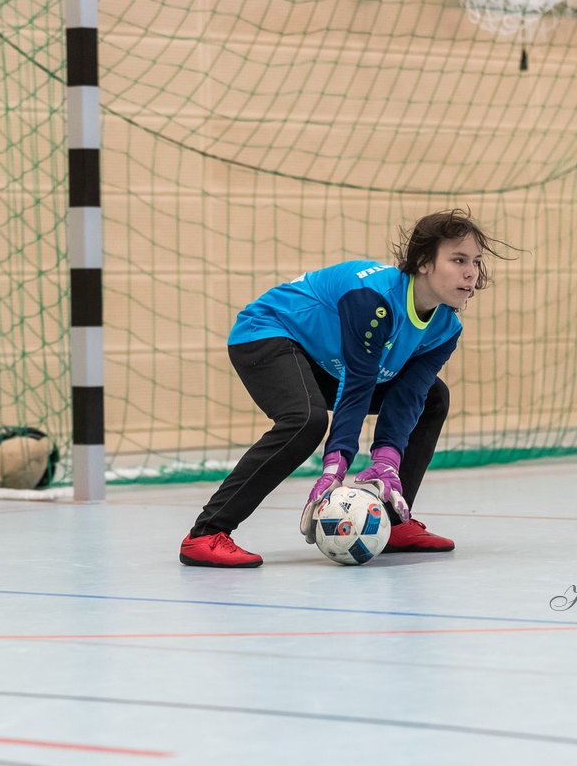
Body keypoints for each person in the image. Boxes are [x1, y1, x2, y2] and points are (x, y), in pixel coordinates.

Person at [179, 208, 510, 567]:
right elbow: (358, 384)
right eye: (458, 259)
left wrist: (386, 463)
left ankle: (393, 520)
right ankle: (207, 533)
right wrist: (334, 469)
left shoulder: (445, 328)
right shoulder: (373, 300)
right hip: (269, 333)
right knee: (305, 420)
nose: (470, 272)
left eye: (475, 262)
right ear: (423, 263)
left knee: (432, 397)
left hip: (326, 358)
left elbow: (407, 397)